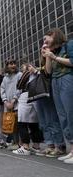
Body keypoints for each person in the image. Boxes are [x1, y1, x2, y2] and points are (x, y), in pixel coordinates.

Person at [41, 28, 73, 164]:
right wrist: (47, 56)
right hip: (55, 81)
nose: (45, 40)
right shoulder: (52, 52)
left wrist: (54, 57)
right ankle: (71, 150)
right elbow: (48, 71)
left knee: (70, 113)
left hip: (67, 79)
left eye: (47, 37)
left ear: (55, 35)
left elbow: (72, 62)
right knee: (63, 116)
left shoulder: (69, 45)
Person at [12, 64, 43, 155]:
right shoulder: (36, 74)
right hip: (34, 97)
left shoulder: (27, 75)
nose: (22, 69)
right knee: (34, 124)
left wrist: (14, 100)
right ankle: (36, 146)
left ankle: (25, 147)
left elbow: (19, 88)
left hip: (26, 97)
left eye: (23, 67)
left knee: (22, 123)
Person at [0, 59, 22, 150]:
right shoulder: (5, 78)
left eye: (14, 64)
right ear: (7, 66)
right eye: (10, 64)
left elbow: (20, 88)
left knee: (18, 123)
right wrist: (5, 102)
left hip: (17, 103)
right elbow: (2, 90)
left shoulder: (19, 75)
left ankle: (21, 143)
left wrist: (13, 101)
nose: (13, 65)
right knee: (11, 124)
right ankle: (15, 142)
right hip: (8, 105)